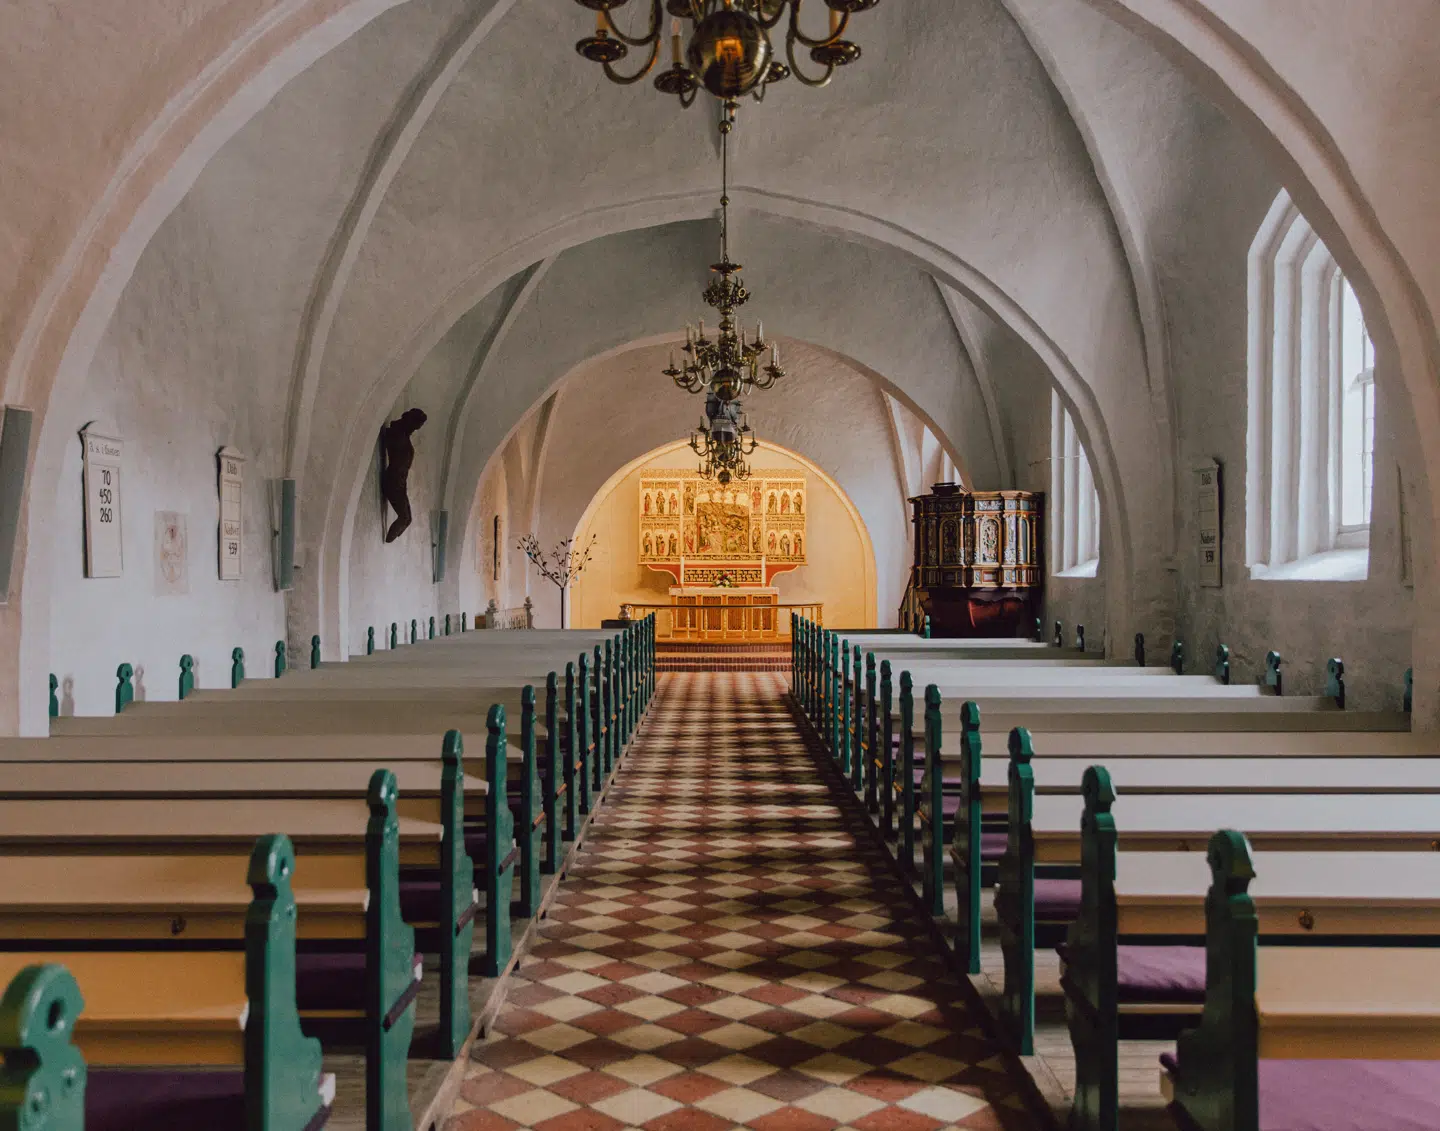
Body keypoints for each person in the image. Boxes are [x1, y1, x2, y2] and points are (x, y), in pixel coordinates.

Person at [380, 407, 427, 542]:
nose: (414, 430)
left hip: (400, 481)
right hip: (393, 480)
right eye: (415, 426)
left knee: (408, 519)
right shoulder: (397, 433)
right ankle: (387, 541)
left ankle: (388, 541)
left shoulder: (403, 434)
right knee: (405, 518)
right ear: (409, 421)